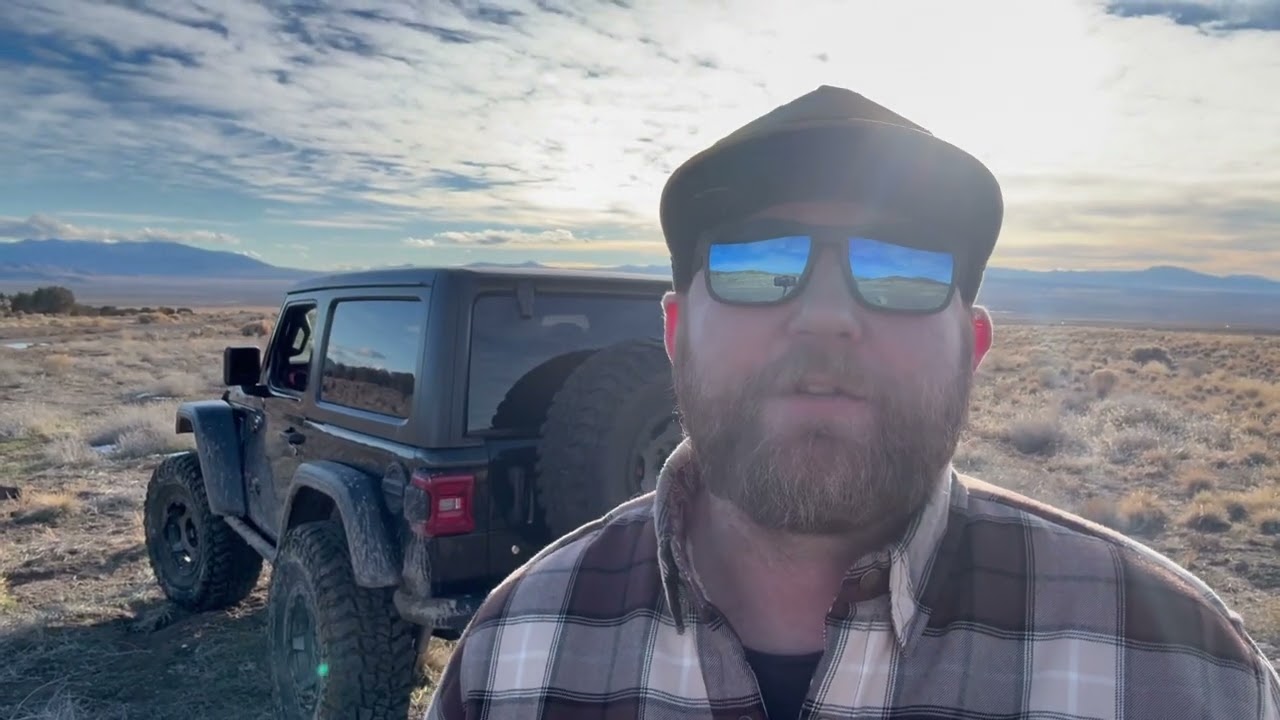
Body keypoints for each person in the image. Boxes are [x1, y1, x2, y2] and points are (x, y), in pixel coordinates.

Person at [425, 85, 1280, 719]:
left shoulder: (1186, 673)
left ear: (972, 349)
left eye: (901, 270)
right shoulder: (511, 661)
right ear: (677, 333)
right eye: (757, 263)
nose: (826, 316)